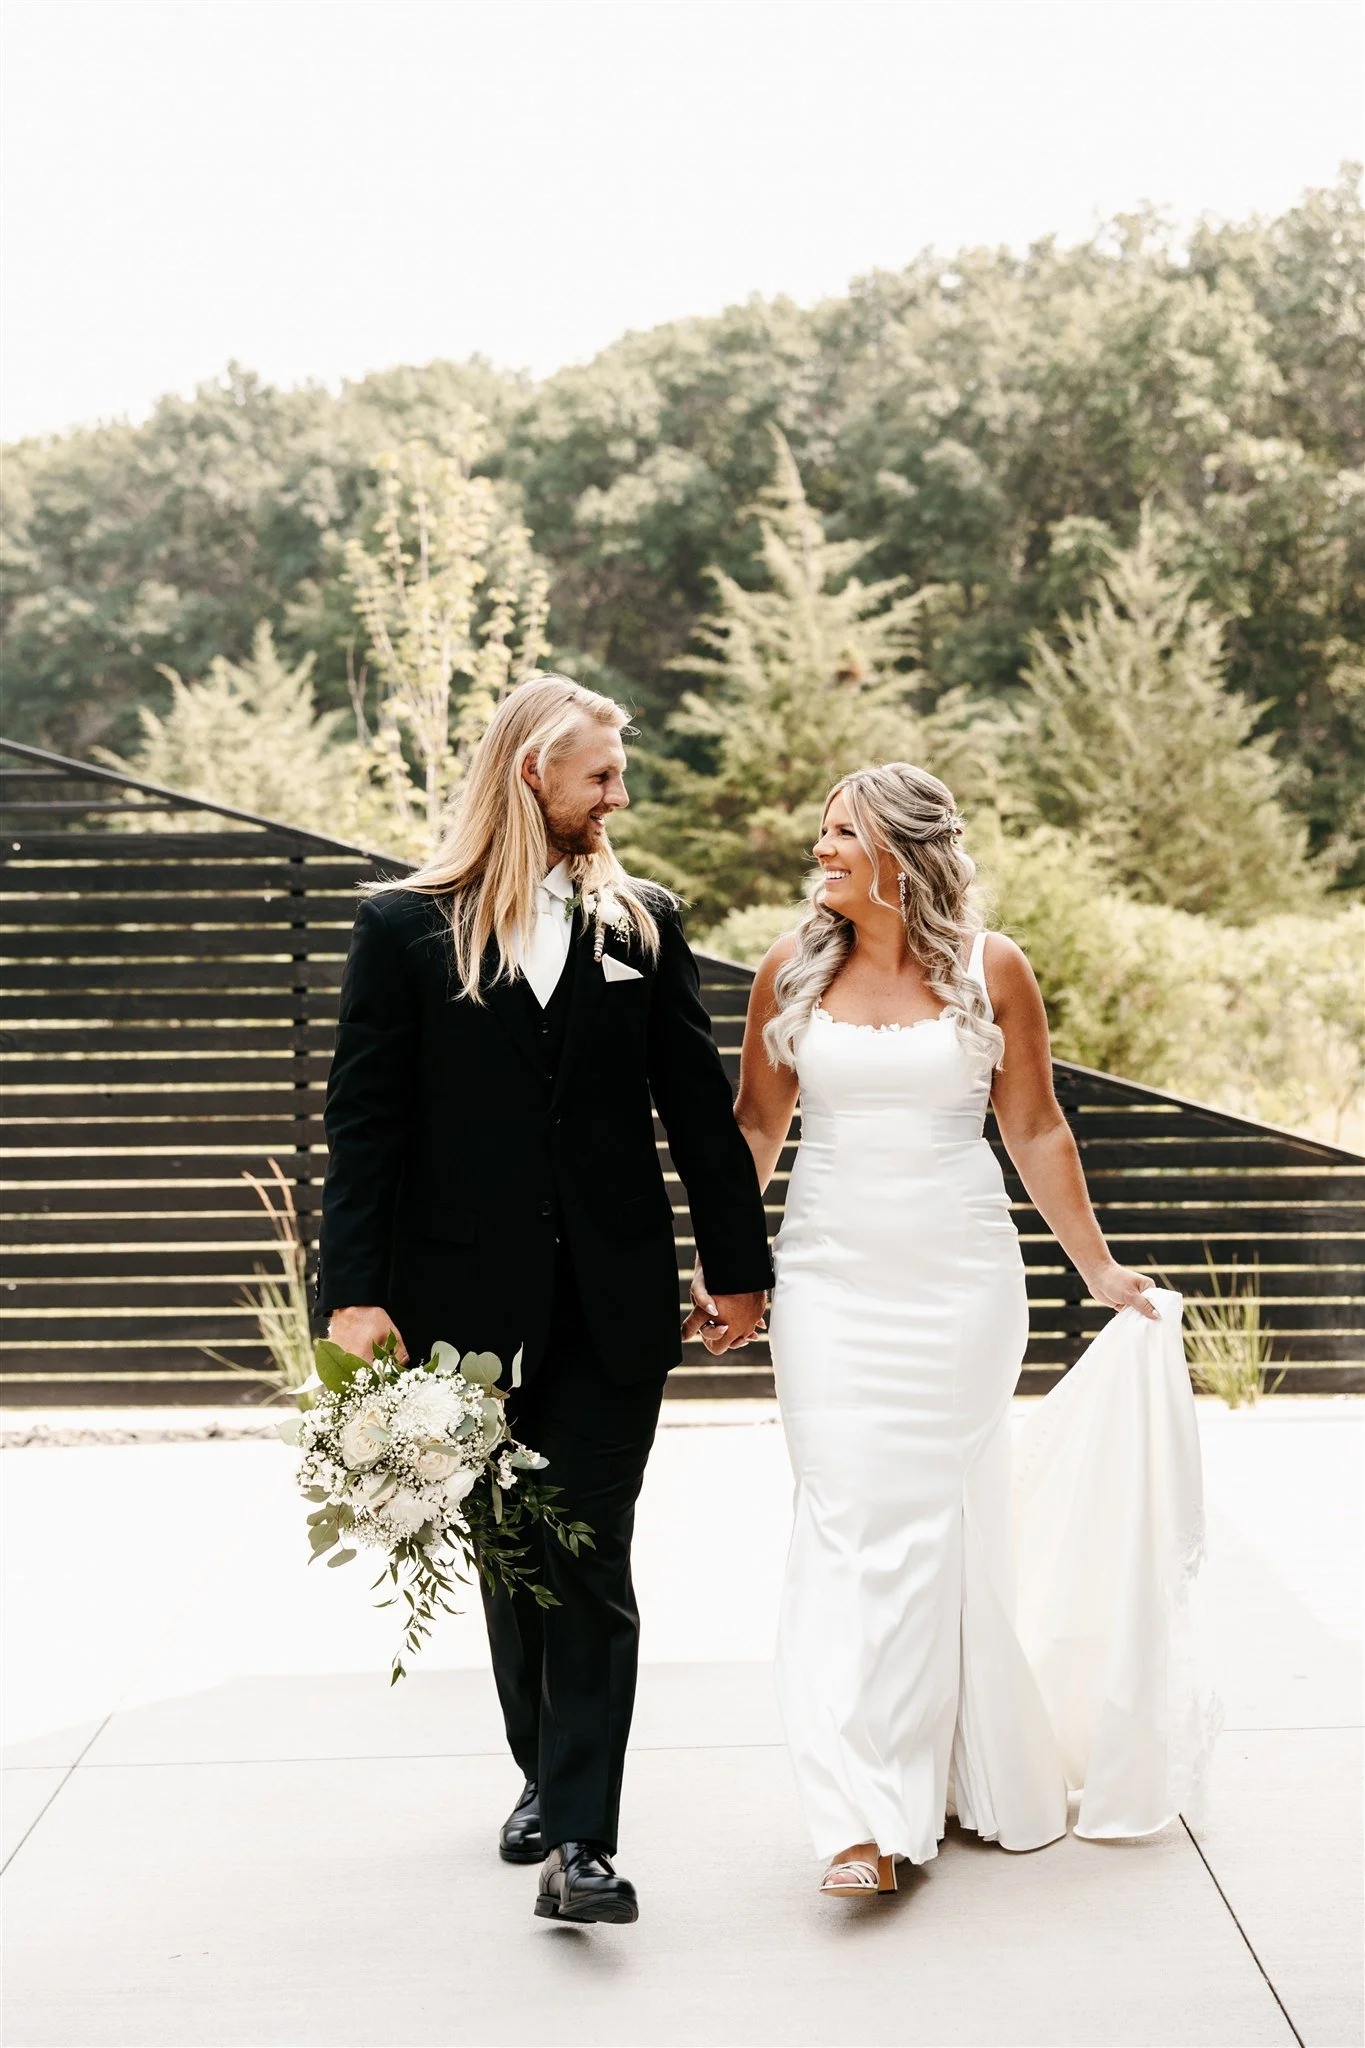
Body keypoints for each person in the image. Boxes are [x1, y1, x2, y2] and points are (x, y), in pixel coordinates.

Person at [317, 674, 771, 1925]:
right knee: (513, 1550)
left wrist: (739, 1267)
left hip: (616, 1299)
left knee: (591, 1549)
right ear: (533, 776)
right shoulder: (403, 927)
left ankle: (582, 1837)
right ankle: (541, 1769)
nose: (620, 795)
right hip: (457, 1306)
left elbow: (698, 1109)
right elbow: (364, 1125)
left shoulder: (647, 921)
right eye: (602, 776)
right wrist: (351, 1296)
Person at [691, 761, 1158, 1895]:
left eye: (841, 831)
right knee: (850, 1524)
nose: (821, 850)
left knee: (931, 1531)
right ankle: (861, 1816)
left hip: (960, 1283)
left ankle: (935, 1783)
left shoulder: (993, 968)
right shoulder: (787, 972)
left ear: (900, 848)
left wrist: (1096, 1268)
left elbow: (1037, 1128)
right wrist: (722, 1267)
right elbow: (754, 1125)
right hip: (830, 1287)